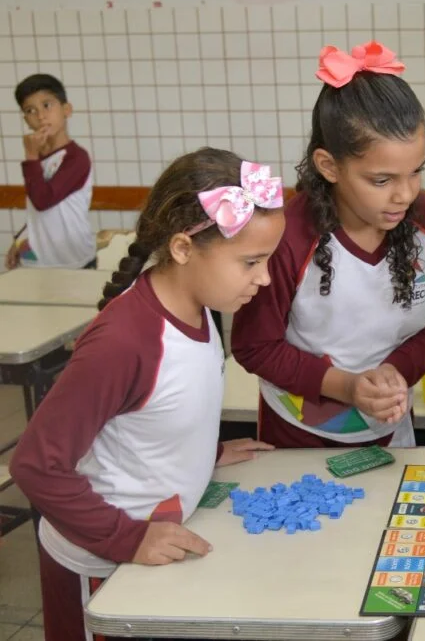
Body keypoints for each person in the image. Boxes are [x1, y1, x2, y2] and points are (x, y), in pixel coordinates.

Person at [9, 148, 285, 641]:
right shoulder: (123, 342)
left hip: (152, 550)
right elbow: (34, 464)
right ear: (182, 248)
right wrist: (127, 537)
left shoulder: (200, 306)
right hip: (100, 564)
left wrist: (206, 452)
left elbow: (151, 414)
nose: (263, 278)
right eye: (251, 262)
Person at [232, 42, 425, 449]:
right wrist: (345, 386)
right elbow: (254, 346)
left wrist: (395, 371)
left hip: (389, 424)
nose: (405, 195)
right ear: (329, 166)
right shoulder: (287, 236)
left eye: (416, 172)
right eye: (381, 180)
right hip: (299, 434)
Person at [6, 73, 95, 270]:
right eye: (30, 110)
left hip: (74, 260)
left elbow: (43, 200)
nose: (40, 116)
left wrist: (30, 156)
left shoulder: (76, 157)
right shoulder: (37, 162)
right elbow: (37, 214)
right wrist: (20, 241)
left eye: (47, 105)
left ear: (66, 110)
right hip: (38, 261)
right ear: (26, 120)